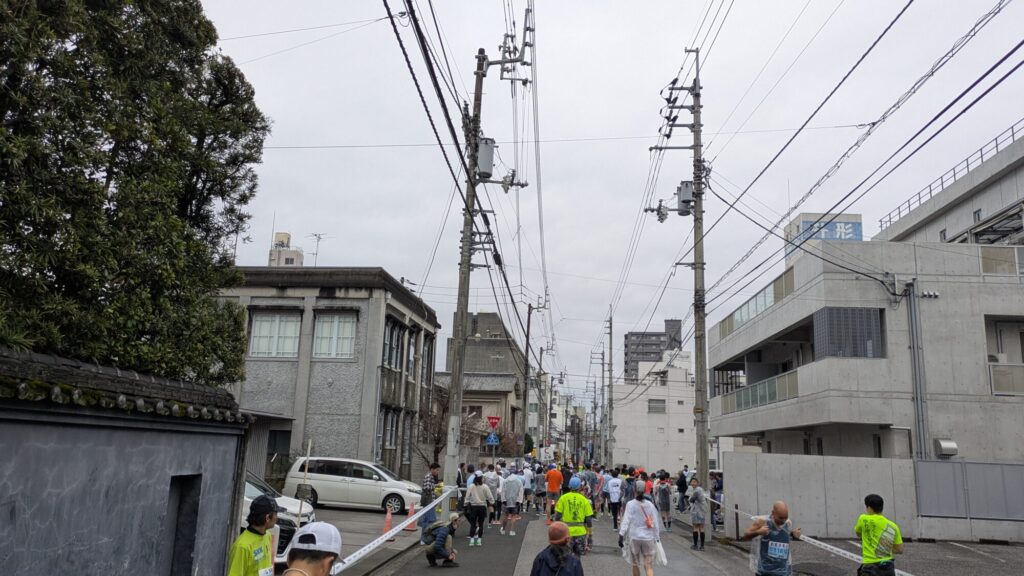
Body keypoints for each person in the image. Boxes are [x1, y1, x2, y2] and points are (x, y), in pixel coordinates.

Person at [228, 494, 284, 576]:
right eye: (276, 514)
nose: (277, 518)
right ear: (267, 518)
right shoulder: (242, 547)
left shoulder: (267, 535)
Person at [744, 501, 801, 576]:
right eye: (780, 518)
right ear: (773, 513)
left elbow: (785, 536)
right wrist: (758, 532)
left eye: (785, 517)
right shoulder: (762, 522)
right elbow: (746, 535)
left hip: (783, 572)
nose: (783, 520)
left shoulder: (788, 523)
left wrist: (794, 534)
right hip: (765, 571)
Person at [855, 494, 904, 576]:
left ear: (869, 507)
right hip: (888, 567)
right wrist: (883, 548)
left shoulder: (863, 519)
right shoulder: (893, 526)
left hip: (870, 566)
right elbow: (900, 550)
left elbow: (858, 533)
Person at [618, 485, 661, 576]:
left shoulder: (630, 504)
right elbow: (655, 522)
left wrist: (621, 535)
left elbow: (626, 520)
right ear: (644, 491)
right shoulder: (650, 504)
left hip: (635, 537)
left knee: (635, 564)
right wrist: (657, 537)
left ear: (635, 490)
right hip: (648, 537)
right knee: (648, 565)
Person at [553, 476, 594, 556]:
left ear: (569, 486)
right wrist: (590, 535)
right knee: (577, 557)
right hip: (580, 532)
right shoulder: (584, 500)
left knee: (565, 555)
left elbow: (558, 516)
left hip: (566, 532)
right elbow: (588, 520)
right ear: (580, 487)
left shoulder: (563, 498)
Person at [464, 473, 494, 547]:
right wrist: (492, 502)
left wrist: (465, 504)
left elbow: (467, 497)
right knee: (481, 524)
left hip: (473, 507)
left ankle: (471, 540)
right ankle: (479, 541)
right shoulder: (485, 486)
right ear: (481, 478)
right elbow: (490, 497)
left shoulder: (471, 486)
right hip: (482, 507)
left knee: (473, 524)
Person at [500, 470, 525, 536]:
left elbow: (503, 491)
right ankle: (512, 531)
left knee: (506, 515)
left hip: (507, 501)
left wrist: (503, 500)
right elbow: (521, 491)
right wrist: (519, 501)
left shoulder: (505, 481)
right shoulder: (518, 481)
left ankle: (503, 530)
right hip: (515, 501)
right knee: (514, 516)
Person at [688, 477, 708, 550]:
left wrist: (690, 499)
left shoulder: (696, 490)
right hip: (702, 511)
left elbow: (691, 500)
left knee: (696, 527)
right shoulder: (700, 489)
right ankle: (702, 546)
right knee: (701, 528)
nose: (693, 483)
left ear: (697, 483)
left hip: (697, 511)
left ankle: (695, 545)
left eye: (694, 482)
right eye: (692, 482)